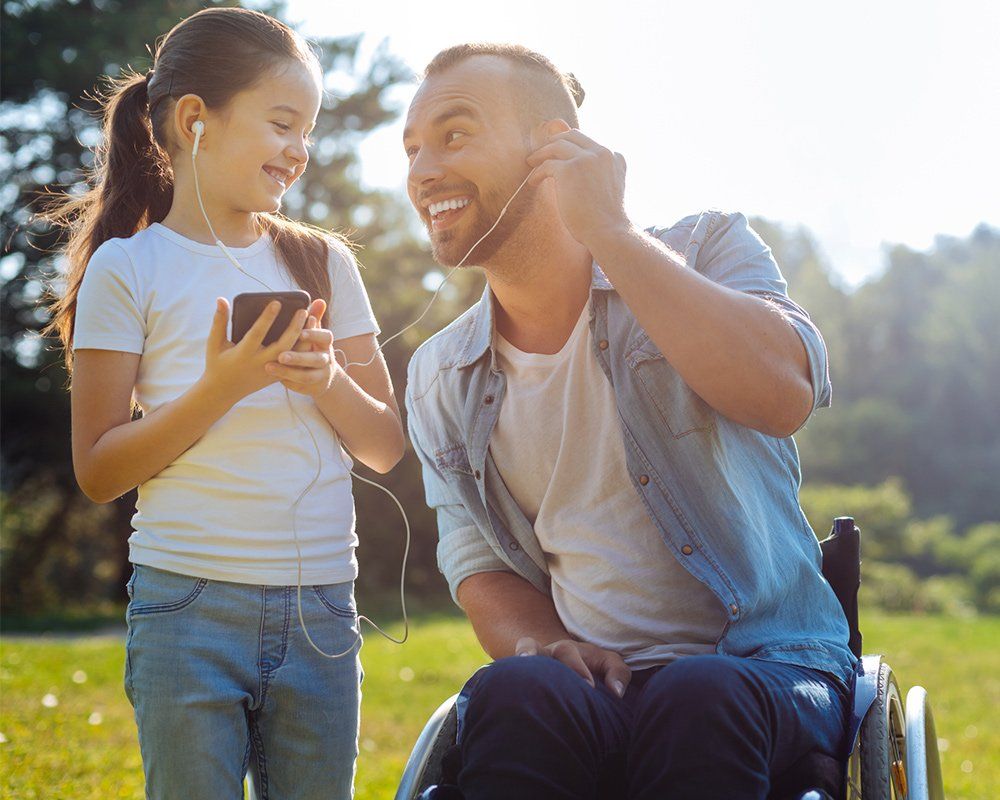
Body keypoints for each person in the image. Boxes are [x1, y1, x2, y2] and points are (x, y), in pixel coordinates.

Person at [403, 44, 856, 799]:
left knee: (699, 694)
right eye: (412, 149)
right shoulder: (439, 374)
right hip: (599, 690)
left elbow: (783, 397)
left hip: (769, 669)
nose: (422, 171)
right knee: (513, 691)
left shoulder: (708, 248)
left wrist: (609, 231)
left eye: (453, 135)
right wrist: (545, 645)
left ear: (552, 147)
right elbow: (480, 565)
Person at [44, 8, 405, 798]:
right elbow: (99, 471)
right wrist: (222, 388)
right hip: (186, 605)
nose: (299, 149)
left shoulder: (323, 264)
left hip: (320, 609)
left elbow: (384, 445)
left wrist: (326, 380)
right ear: (194, 120)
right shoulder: (127, 270)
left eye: (308, 130)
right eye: (282, 123)